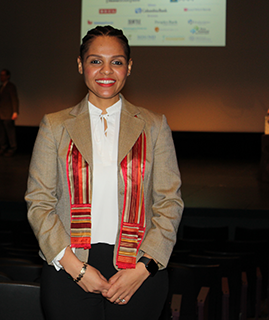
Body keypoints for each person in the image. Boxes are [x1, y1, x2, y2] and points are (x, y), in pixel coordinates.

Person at [25, 25, 183, 320]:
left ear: (129, 67)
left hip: (138, 272)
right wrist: (76, 268)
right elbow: (39, 203)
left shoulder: (154, 125)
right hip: (68, 270)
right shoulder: (55, 126)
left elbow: (169, 203)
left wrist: (142, 269)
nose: (106, 71)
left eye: (117, 62)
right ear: (80, 65)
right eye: (96, 60)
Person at [0, 69, 19, 157]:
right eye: (1, 75)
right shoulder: (1, 86)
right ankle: (3, 148)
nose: (1, 77)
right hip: (1, 114)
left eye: (3, 75)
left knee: (10, 132)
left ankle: (13, 148)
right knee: (1, 133)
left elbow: (14, 99)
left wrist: (15, 112)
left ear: (8, 76)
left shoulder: (11, 86)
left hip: (8, 113)